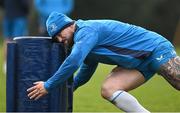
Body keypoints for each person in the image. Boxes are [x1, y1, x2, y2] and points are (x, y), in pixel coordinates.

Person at [27, 12, 180, 112]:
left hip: (156, 49)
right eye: (56, 38)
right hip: (138, 65)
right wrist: (68, 89)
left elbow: (74, 62)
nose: (60, 39)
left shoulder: (86, 31)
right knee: (108, 89)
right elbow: (86, 71)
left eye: (60, 33)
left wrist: (48, 85)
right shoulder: (83, 42)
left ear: (70, 25)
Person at [2, 0, 30, 74]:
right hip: (19, 17)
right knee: (18, 41)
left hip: (8, 15)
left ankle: (6, 65)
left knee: (7, 40)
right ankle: (16, 65)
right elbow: (25, 4)